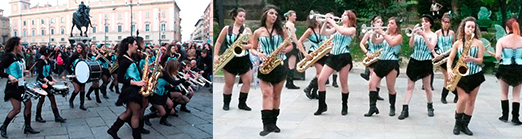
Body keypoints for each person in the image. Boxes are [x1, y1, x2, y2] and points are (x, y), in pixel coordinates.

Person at [249, 5, 293, 136]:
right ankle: (266, 125)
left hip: (279, 64)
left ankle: (274, 123)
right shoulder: (258, 32)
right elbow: (252, 48)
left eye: (276, 14)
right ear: (265, 15)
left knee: (276, 95)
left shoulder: (281, 31)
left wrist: (286, 49)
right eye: (271, 13)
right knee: (266, 93)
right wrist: (259, 54)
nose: (274, 16)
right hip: (265, 65)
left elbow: (290, 45)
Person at [314, 10, 357, 116]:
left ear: (350, 18)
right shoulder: (336, 28)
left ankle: (344, 105)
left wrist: (332, 22)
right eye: (342, 14)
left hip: (344, 57)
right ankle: (322, 105)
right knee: (321, 79)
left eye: (345, 15)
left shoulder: (352, 29)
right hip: (333, 56)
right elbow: (323, 33)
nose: (342, 16)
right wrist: (325, 22)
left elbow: (343, 32)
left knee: (343, 83)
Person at [447, 17, 485, 136]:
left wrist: (472, 59)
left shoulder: (479, 43)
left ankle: (465, 125)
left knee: (471, 101)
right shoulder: (458, 43)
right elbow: (451, 58)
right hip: (461, 75)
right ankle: (457, 124)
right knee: (462, 99)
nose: (470, 29)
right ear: (463, 28)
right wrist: (449, 69)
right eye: (468, 26)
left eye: (472, 27)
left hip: (475, 74)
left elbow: (480, 60)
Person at [398, 14, 438, 120]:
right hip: (414, 61)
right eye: (422, 21)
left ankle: (430, 106)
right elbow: (411, 45)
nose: (423, 23)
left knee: (427, 87)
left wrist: (424, 35)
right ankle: (404, 109)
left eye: (426, 21)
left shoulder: (433, 35)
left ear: (430, 23)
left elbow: (431, 47)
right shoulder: (417, 33)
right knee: (409, 87)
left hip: (425, 62)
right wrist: (413, 34)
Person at [107, 36, 147, 139]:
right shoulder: (124, 60)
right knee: (135, 114)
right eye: (135, 44)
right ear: (129, 45)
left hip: (134, 88)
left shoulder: (131, 57)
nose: (137, 47)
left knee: (129, 112)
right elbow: (120, 78)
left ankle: (113, 129)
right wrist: (136, 83)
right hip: (131, 90)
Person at [214, 7, 253, 111]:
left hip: (243, 59)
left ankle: (242, 103)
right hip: (230, 59)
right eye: (240, 16)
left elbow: (253, 44)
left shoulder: (247, 30)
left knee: (247, 81)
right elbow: (218, 42)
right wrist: (216, 55)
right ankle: (226, 103)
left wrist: (244, 46)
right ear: (235, 17)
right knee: (229, 83)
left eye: (244, 16)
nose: (242, 18)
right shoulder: (227, 29)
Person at [0, 37, 40, 138]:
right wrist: (8, 76)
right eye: (20, 45)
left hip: (22, 85)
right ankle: (3, 127)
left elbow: (18, 70)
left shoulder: (18, 57)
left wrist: (24, 71)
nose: (22, 46)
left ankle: (27, 127)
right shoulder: (7, 57)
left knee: (28, 104)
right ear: (15, 45)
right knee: (17, 109)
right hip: (12, 87)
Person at [364, 17, 403, 117]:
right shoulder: (386, 35)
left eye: (391, 23)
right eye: (389, 23)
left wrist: (382, 32)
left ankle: (392, 107)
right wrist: (373, 32)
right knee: (372, 84)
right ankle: (372, 107)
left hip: (392, 63)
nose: (389, 25)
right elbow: (375, 41)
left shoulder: (399, 36)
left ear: (396, 26)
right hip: (381, 61)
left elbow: (392, 43)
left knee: (390, 87)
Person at [143, 60, 188, 126]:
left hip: (162, 93)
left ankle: (163, 120)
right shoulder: (164, 73)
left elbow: (168, 86)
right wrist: (184, 79)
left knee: (170, 104)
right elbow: (173, 82)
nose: (177, 69)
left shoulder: (168, 73)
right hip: (155, 94)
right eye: (176, 68)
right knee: (162, 112)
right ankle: (147, 117)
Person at [495, 18, 522, 125]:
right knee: (516, 94)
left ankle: (504, 116)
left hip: (505, 67)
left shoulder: (501, 40)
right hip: (519, 68)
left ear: (507, 28)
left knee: (504, 93)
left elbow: (497, 55)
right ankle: (515, 118)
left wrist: (501, 58)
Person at [34, 46, 67, 123]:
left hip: (47, 82)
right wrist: (48, 82)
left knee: (51, 99)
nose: (48, 55)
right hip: (42, 83)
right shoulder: (40, 62)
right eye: (47, 54)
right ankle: (38, 116)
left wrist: (52, 78)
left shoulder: (47, 60)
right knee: (42, 100)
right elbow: (40, 74)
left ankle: (56, 116)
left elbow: (48, 73)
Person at [298, 12, 326, 99]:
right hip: (314, 53)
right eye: (318, 18)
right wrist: (305, 53)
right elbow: (300, 41)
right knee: (322, 74)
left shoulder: (322, 29)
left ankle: (314, 92)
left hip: (323, 53)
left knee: (319, 74)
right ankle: (308, 88)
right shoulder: (310, 30)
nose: (321, 19)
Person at [359, 16, 385, 101]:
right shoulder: (369, 33)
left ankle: (376, 93)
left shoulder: (385, 33)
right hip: (371, 57)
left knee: (379, 77)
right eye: (377, 22)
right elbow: (361, 44)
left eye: (380, 22)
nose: (379, 23)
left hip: (381, 57)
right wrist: (367, 52)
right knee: (374, 75)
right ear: (373, 23)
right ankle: (372, 93)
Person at [435, 13, 457, 104]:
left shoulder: (452, 33)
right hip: (441, 57)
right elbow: (434, 46)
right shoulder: (437, 33)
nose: (446, 24)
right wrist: (436, 55)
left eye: (448, 22)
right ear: (441, 22)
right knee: (447, 77)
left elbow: (454, 45)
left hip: (450, 56)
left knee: (451, 77)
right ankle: (454, 94)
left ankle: (446, 96)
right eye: (445, 22)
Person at [284, 10, 304, 89]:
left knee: (289, 63)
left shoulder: (286, 24)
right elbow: (293, 36)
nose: (295, 17)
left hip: (287, 44)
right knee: (291, 64)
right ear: (289, 16)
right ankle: (290, 82)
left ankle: (288, 82)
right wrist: (299, 45)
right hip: (292, 44)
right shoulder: (290, 24)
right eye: (294, 15)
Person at [67, 42, 88, 111]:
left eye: (80, 48)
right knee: (77, 90)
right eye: (77, 47)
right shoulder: (74, 56)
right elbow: (67, 66)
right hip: (75, 75)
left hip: (82, 75)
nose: (78, 49)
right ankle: (71, 100)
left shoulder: (84, 55)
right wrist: (71, 73)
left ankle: (82, 104)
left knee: (82, 90)